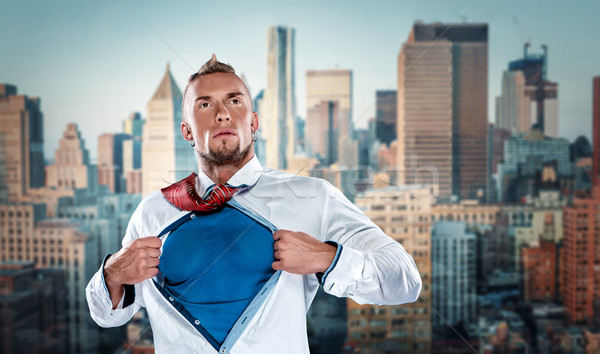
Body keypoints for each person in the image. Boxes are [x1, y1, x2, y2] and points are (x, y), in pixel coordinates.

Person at [86, 55, 422, 353]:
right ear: (187, 131)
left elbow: (405, 280)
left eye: (234, 101)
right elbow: (106, 315)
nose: (222, 114)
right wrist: (112, 272)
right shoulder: (153, 210)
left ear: (254, 121)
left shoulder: (312, 196)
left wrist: (327, 258)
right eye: (205, 105)